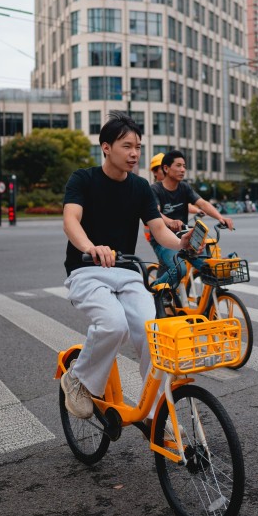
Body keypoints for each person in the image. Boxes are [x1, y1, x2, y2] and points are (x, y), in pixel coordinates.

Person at [60, 112, 195, 421]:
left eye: (137, 146)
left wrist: (183, 242)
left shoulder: (139, 187)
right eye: (126, 146)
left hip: (127, 273)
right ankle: (77, 379)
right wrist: (91, 247)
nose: (134, 153)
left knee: (153, 334)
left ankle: (156, 412)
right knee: (113, 324)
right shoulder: (83, 179)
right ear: (106, 147)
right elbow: (71, 221)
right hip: (86, 270)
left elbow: (159, 230)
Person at [149, 150, 234, 297]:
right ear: (166, 168)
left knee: (210, 267)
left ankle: (208, 306)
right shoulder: (155, 189)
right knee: (179, 269)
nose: (183, 169)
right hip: (164, 240)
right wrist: (170, 221)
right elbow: (155, 213)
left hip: (186, 238)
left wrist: (220, 218)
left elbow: (202, 203)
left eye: (184, 166)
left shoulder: (185, 187)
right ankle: (154, 291)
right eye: (178, 166)